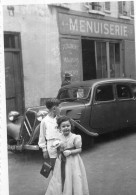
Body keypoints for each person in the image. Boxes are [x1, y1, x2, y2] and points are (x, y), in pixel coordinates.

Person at [45, 115, 89, 195]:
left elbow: (79, 149)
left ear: (71, 126)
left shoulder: (76, 137)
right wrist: (58, 148)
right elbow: (58, 150)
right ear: (59, 128)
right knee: (60, 177)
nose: (66, 128)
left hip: (73, 160)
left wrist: (71, 152)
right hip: (61, 160)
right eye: (63, 126)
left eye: (68, 126)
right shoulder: (58, 137)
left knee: (73, 176)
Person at [38, 98, 61, 170]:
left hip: (61, 143)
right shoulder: (44, 121)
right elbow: (42, 136)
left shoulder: (60, 119)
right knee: (53, 165)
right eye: (59, 107)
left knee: (62, 163)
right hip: (51, 145)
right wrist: (44, 150)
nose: (60, 109)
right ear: (54, 108)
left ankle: (63, 180)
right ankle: (55, 180)